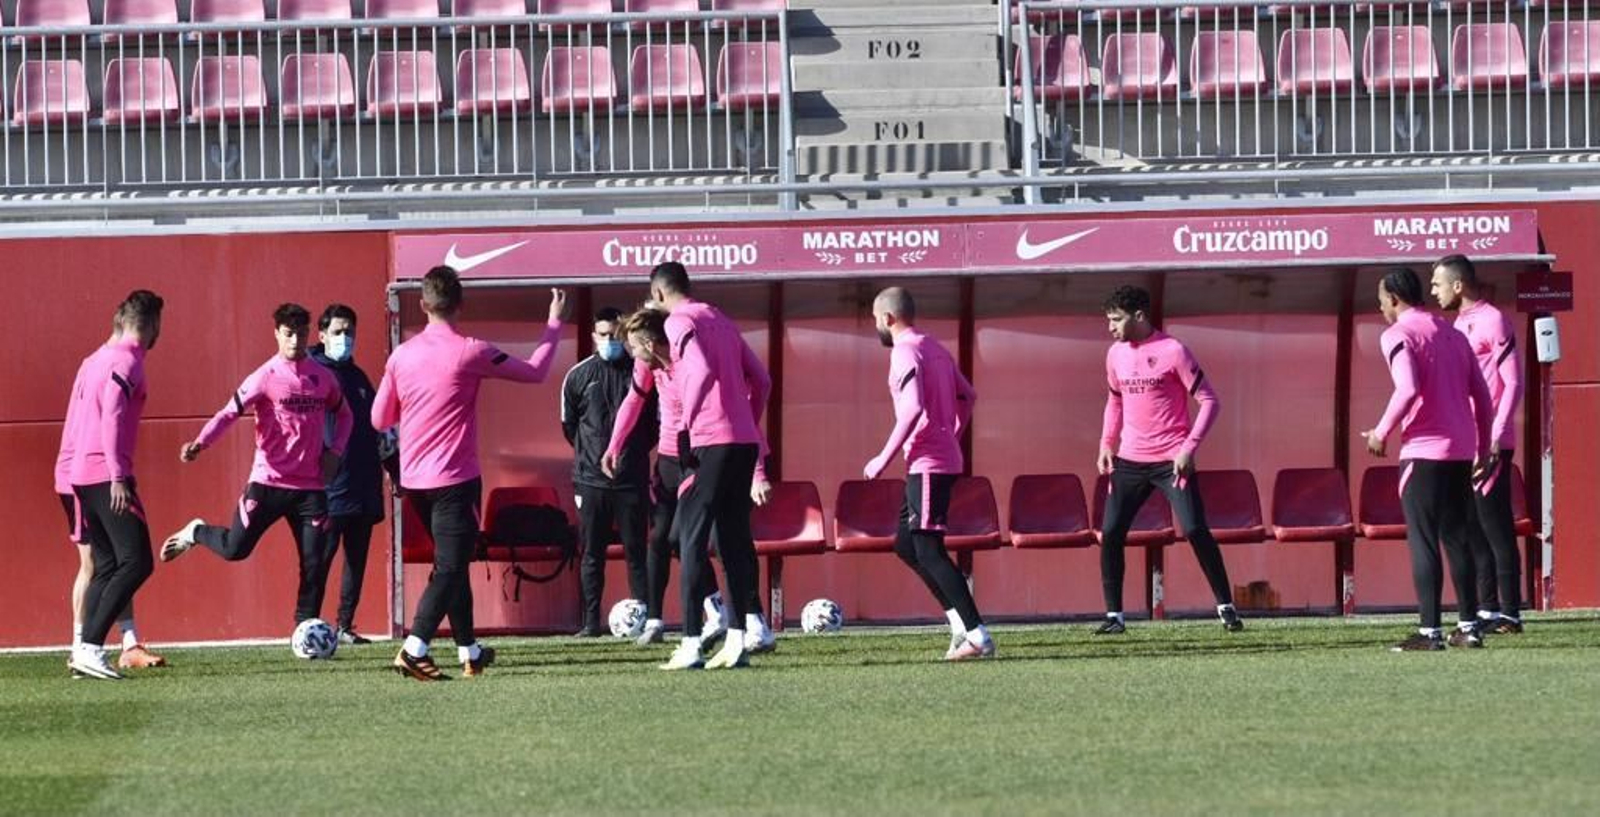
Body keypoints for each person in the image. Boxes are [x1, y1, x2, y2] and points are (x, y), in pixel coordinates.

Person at [372, 266, 568, 681]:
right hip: (454, 481)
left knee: (453, 565)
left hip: (415, 482)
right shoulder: (471, 350)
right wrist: (554, 322)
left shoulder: (401, 355)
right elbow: (535, 371)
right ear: (460, 305)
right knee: (449, 567)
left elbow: (379, 418)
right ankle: (414, 648)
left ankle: (470, 651)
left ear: (424, 305)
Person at [160, 304, 354, 632]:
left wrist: (335, 451)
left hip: (310, 488)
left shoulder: (323, 378)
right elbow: (228, 413)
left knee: (315, 563)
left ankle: (304, 630)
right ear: (277, 333)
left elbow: (346, 415)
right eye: (289, 334)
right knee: (235, 549)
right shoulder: (265, 376)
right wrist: (200, 443)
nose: (296, 341)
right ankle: (197, 531)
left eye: (302, 334)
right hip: (268, 483)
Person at [604, 306, 776, 652]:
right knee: (668, 539)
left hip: (699, 452)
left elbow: (745, 405)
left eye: (634, 347)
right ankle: (708, 614)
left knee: (721, 538)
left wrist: (757, 470)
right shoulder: (650, 363)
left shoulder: (693, 359)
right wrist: (614, 445)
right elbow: (633, 401)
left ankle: (744, 622)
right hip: (671, 457)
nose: (631, 354)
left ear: (651, 342)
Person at [1096, 285, 1243, 635]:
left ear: (1139, 316)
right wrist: (1105, 443)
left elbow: (1210, 401)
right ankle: (1114, 617)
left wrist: (1188, 448)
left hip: (1171, 460)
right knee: (1112, 533)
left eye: (1116, 319)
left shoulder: (1173, 350)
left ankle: (1227, 607)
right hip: (1130, 461)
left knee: (1194, 528)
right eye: (1109, 320)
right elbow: (1115, 401)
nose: (1111, 327)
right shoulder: (1115, 354)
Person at [1366, 267, 1495, 652]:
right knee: (1458, 539)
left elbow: (1407, 388)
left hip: (1422, 452)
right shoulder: (1454, 335)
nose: (1380, 308)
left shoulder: (1397, 334)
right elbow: (1483, 398)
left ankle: (1429, 633)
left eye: (1381, 301)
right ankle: (1468, 628)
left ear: (1393, 298)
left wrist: (1380, 432)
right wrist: (1483, 448)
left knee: (1423, 540)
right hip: (1459, 452)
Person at [863, 287, 995, 661]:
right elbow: (967, 396)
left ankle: (977, 635)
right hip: (935, 459)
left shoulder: (905, 351)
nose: (876, 326)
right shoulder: (934, 347)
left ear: (888, 318)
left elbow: (912, 408)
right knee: (906, 544)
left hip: (928, 463)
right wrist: (952, 433)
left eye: (875, 319)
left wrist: (881, 458)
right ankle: (959, 628)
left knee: (929, 549)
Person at [650, 262, 771, 671]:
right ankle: (736, 642)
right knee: (735, 543)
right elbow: (763, 380)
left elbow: (699, 370)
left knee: (690, 539)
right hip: (743, 444)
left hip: (712, 442)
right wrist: (748, 420)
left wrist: (688, 422)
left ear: (660, 294)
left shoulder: (678, 322)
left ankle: (690, 644)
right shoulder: (721, 318)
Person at [66, 290, 165, 680]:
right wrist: (117, 476)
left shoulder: (94, 359)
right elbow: (111, 413)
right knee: (138, 561)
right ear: (151, 322)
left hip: (81, 473)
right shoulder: (128, 361)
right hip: (106, 475)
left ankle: (83, 652)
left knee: (106, 566)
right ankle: (90, 648)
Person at [1430, 255, 1525, 635]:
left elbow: (1513, 382)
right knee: (1470, 527)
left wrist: (1496, 436)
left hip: (1491, 442)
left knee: (1495, 524)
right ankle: (1486, 611)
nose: (1433, 291)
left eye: (1437, 284)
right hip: (1465, 442)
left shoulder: (1493, 319)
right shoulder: (1458, 323)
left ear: (1458, 285)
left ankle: (1511, 614)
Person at [562, 306, 656, 638]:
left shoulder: (643, 370)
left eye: (615, 335)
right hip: (589, 481)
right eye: (603, 335)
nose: (610, 341)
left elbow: (655, 426)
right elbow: (569, 426)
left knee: (637, 552)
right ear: (593, 336)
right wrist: (593, 456)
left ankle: (646, 620)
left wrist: (630, 456)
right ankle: (590, 624)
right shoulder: (578, 376)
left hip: (631, 480)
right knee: (591, 553)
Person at [309, 304, 397, 645]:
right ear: (322, 335)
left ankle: (344, 625)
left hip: (363, 487)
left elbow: (381, 429)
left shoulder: (359, 379)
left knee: (356, 562)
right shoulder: (314, 376)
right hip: (329, 491)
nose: (344, 338)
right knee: (319, 561)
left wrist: (394, 471)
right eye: (337, 332)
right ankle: (308, 625)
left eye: (349, 332)